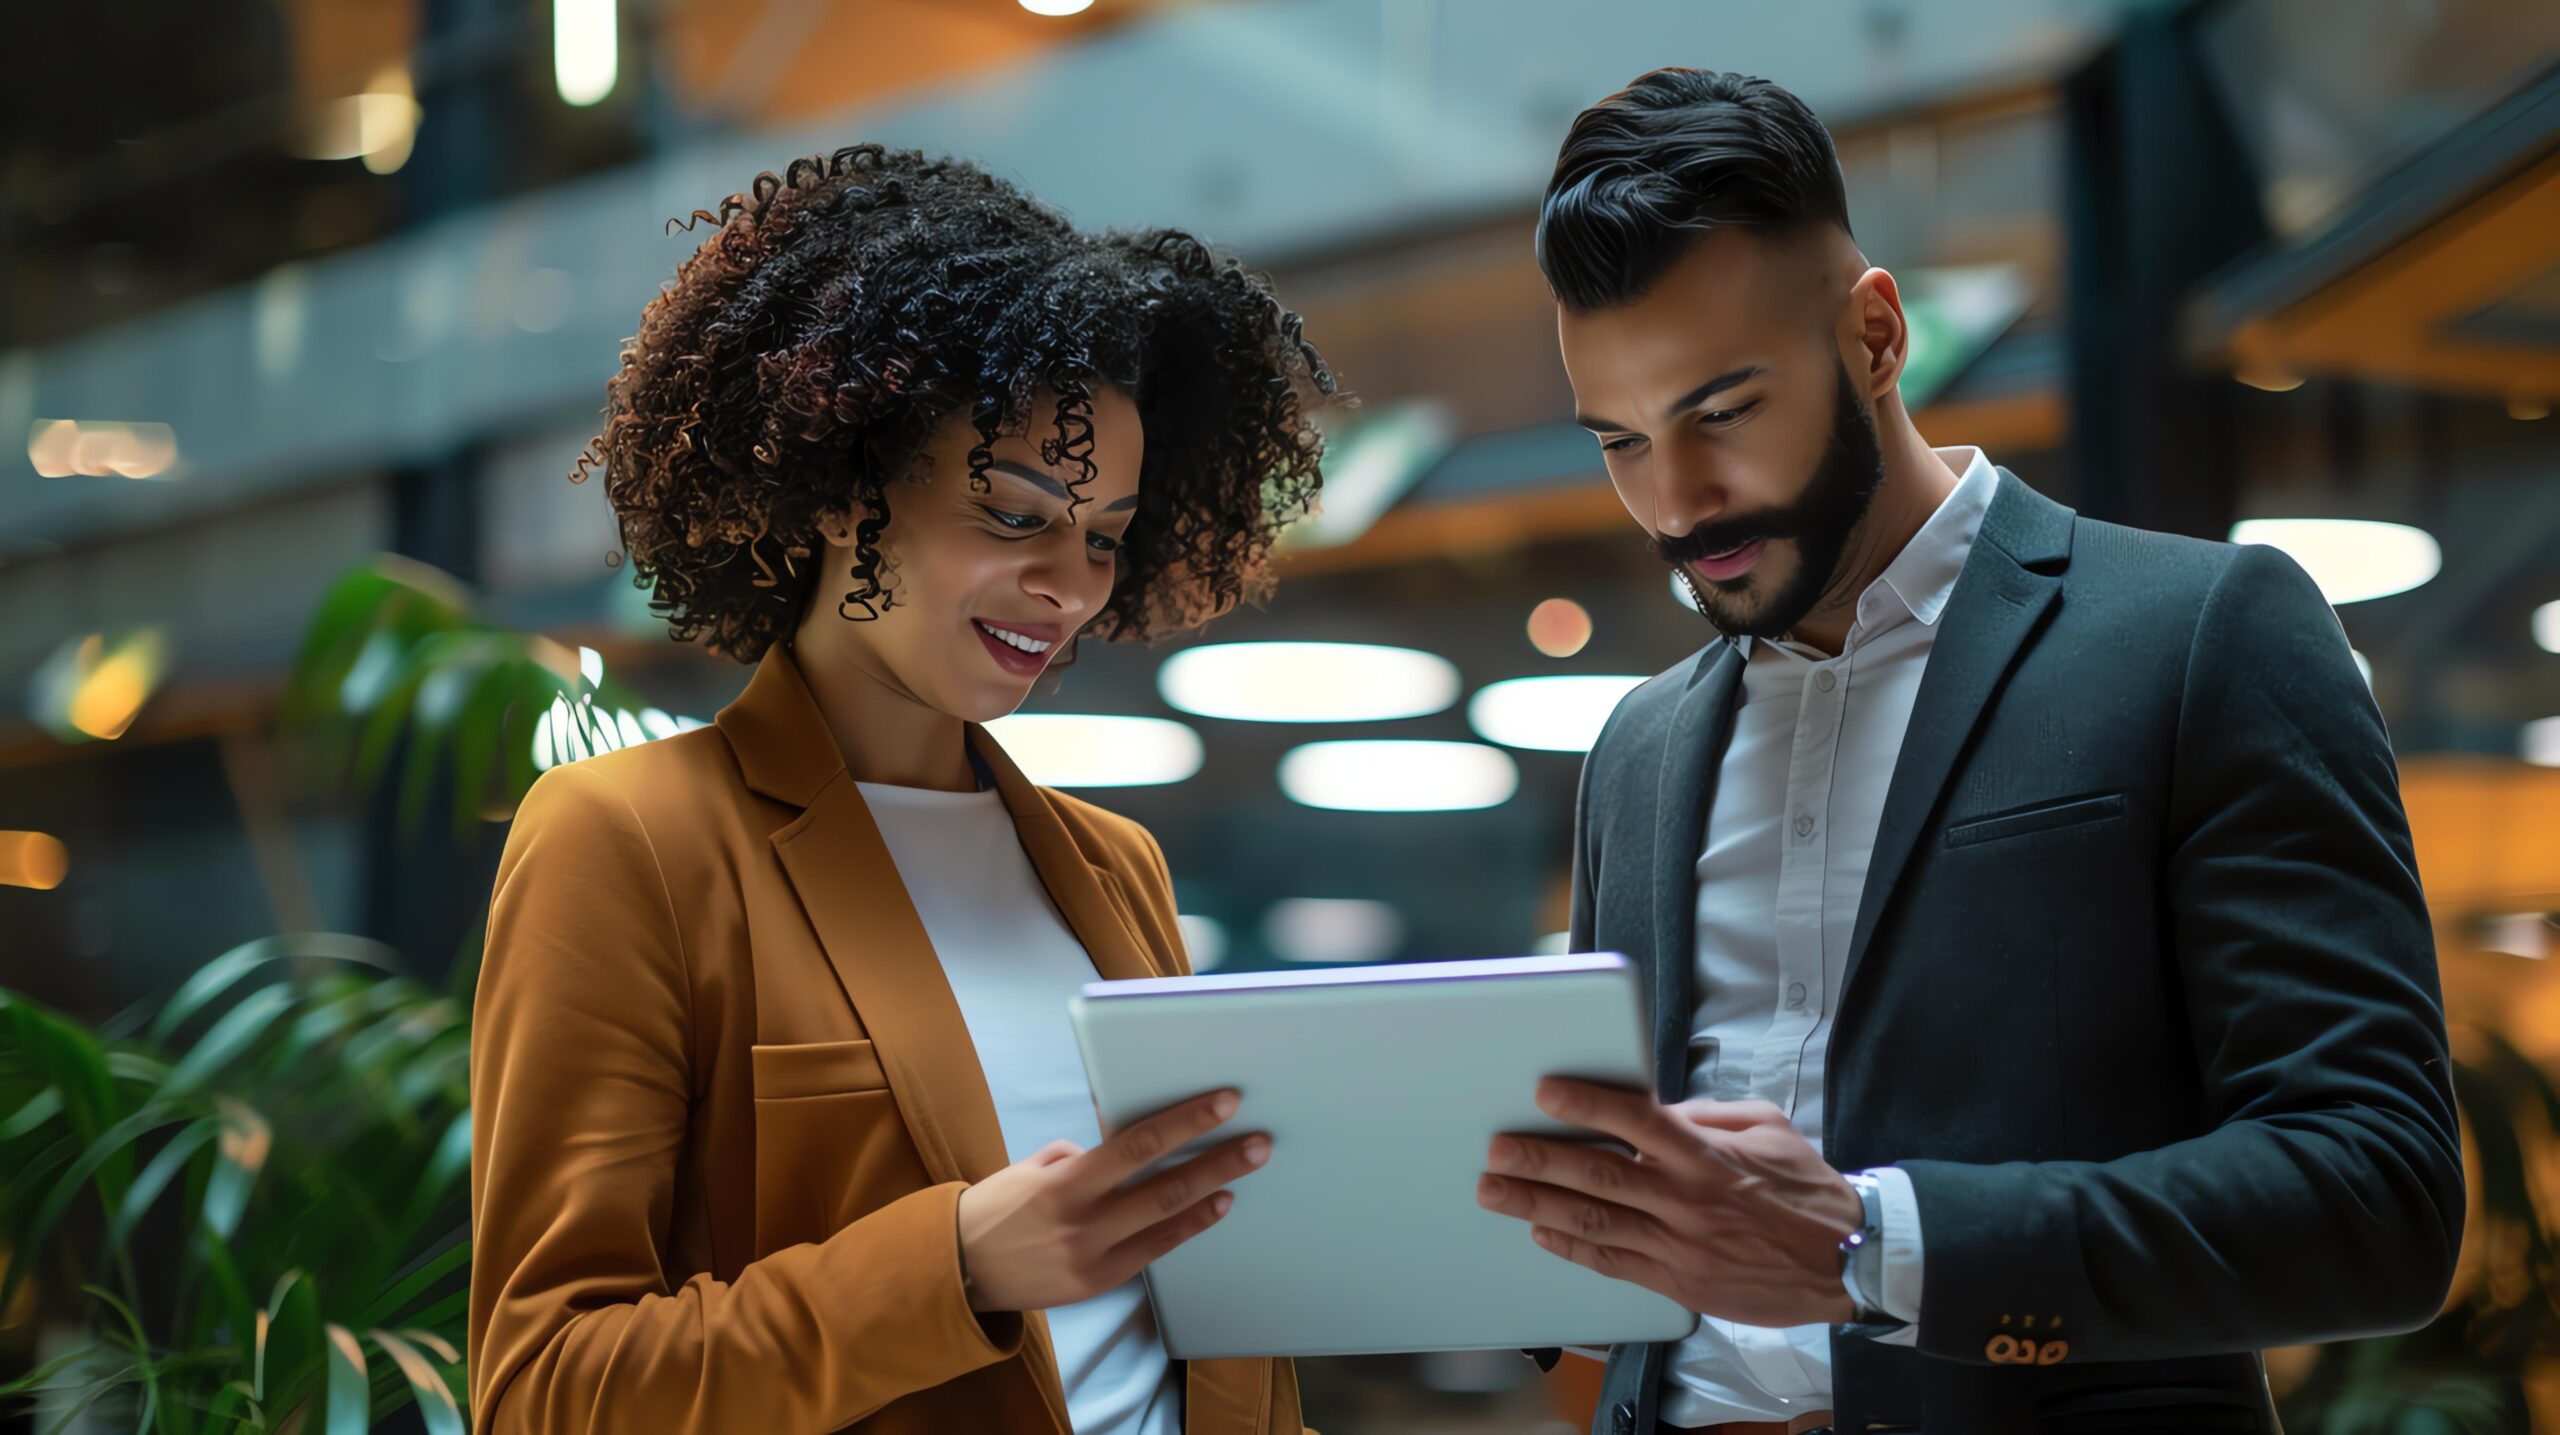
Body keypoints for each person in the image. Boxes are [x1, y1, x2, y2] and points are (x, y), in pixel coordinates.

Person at [1471, 70, 2463, 1434]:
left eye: (1724, 412)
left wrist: (1868, 1243)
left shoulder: (2203, 633)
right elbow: (1626, 1219)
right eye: (1621, 442)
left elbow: (2377, 1196)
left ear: (1876, 337)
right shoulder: (1640, 745)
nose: (1675, 501)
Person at [467, 145, 1340, 1435]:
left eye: (1104, 535)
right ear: (839, 485)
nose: (1073, 583)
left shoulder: (1114, 866)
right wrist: (962, 1265)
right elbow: (547, 1388)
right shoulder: (632, 844)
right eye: (1014, 513)